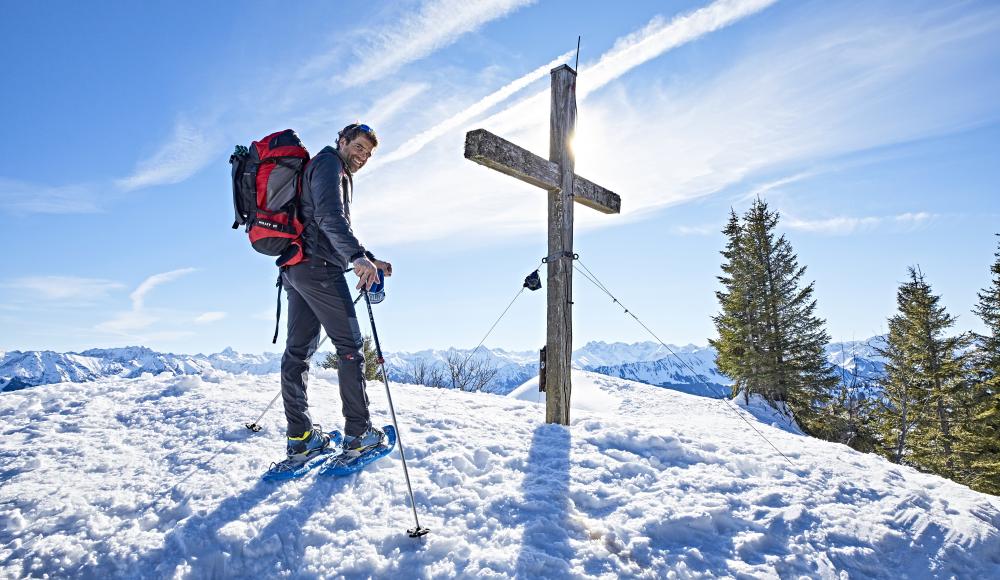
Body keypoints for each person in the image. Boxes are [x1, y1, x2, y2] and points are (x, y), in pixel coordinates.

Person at [279, 122, 392, 462]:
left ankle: (300, 438)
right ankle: (359, 434)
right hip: (320, 269)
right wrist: (357, 258)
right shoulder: (329, 164)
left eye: (369, 153)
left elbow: (326, 221)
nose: (363, 156)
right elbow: (331, 217)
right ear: (342, 141)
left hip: (297, 268)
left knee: (297, 353)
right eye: (359, 147)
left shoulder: (324, 166)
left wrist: (368, 257)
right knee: (350, 348)